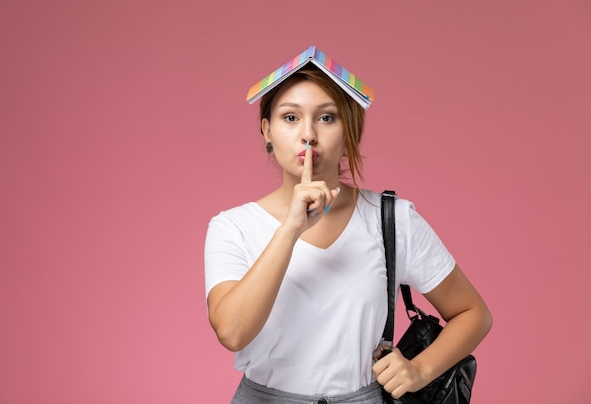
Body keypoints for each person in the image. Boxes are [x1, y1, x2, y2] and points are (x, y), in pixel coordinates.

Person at [204, 47, 492, 404]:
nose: (308, 134)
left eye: (327, 118)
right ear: (267, 131)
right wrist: (291, 229)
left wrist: (420, 370)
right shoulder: (233, 227)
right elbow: (232, 332)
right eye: (290, 118)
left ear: (349, 133)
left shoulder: (392, 219)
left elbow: (474, 313)